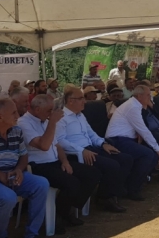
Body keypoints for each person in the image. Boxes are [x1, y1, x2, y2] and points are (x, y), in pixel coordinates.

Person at [18, 94, 101, 232]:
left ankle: (65, 210)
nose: (51, 113)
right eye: (49, 110)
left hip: (55, 161)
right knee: (72, 183)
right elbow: (44, 145)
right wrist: (52, 123)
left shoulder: (44, 119)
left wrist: (65, 161)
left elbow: (57, 146)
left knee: (92, 173)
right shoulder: (24, 123)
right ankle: (58, 217)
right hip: (39, 166)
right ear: (37, 109)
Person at [56, 87, 130, 213]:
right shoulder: (61, 118)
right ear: (70, 101)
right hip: (77, 153)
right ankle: (105, 198)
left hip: (91, 148)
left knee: (125, 159)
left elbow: (91, 134)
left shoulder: (80, 116)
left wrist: (103, 144)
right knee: (111, 165)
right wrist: (81, 151)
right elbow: (60, 141)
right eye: (80, 98)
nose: (84, 101)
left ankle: (113, 192)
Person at [0, 98, 49, 238]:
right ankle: (1, 235)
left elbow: (23, 156)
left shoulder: (16, 131)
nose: (18, 116)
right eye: (13, 113)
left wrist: (19, 169)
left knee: (42, 184)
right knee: (8, 198)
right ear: (0, 117)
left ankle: (31, 234)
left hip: (13, 175)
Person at [105, 86, 159, 201]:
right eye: (147, 95)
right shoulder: (132, 107)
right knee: (149, 154)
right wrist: (158, 149)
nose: (149, 97)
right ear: (139, 96)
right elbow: (144, 130)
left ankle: (132, 185)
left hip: (125, 138)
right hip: (117, 139)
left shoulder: (134, 105)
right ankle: (132, 188)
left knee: (150, 155)